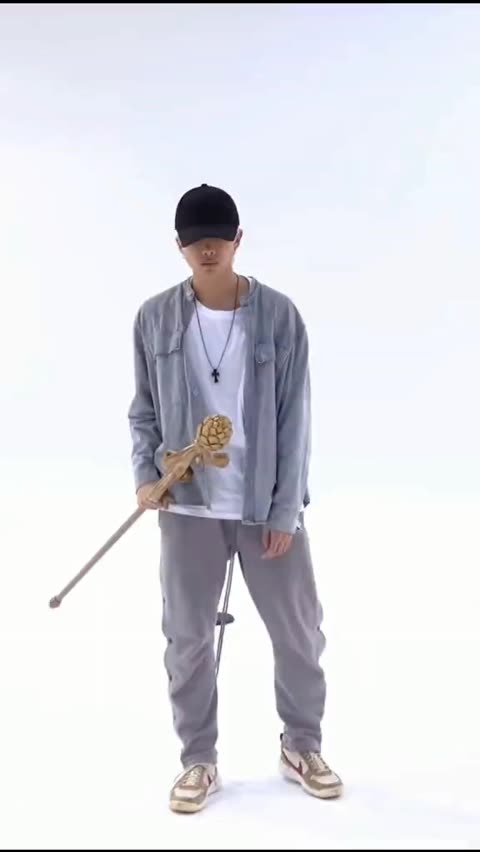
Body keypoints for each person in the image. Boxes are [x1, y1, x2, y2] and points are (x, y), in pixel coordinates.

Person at [127, 183, 343, 813]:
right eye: (195, 241)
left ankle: (301, 746)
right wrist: (145, 474)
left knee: (299, 632)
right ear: (179, 246)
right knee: (187, 638)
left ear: (238, 239)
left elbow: (295, 418)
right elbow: (143, 411)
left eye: (218, 238)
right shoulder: (154, 318)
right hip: (186, 504)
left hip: (263, 504)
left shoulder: (279, 316)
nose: (208, 250)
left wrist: (284, 510)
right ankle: (198, 760)